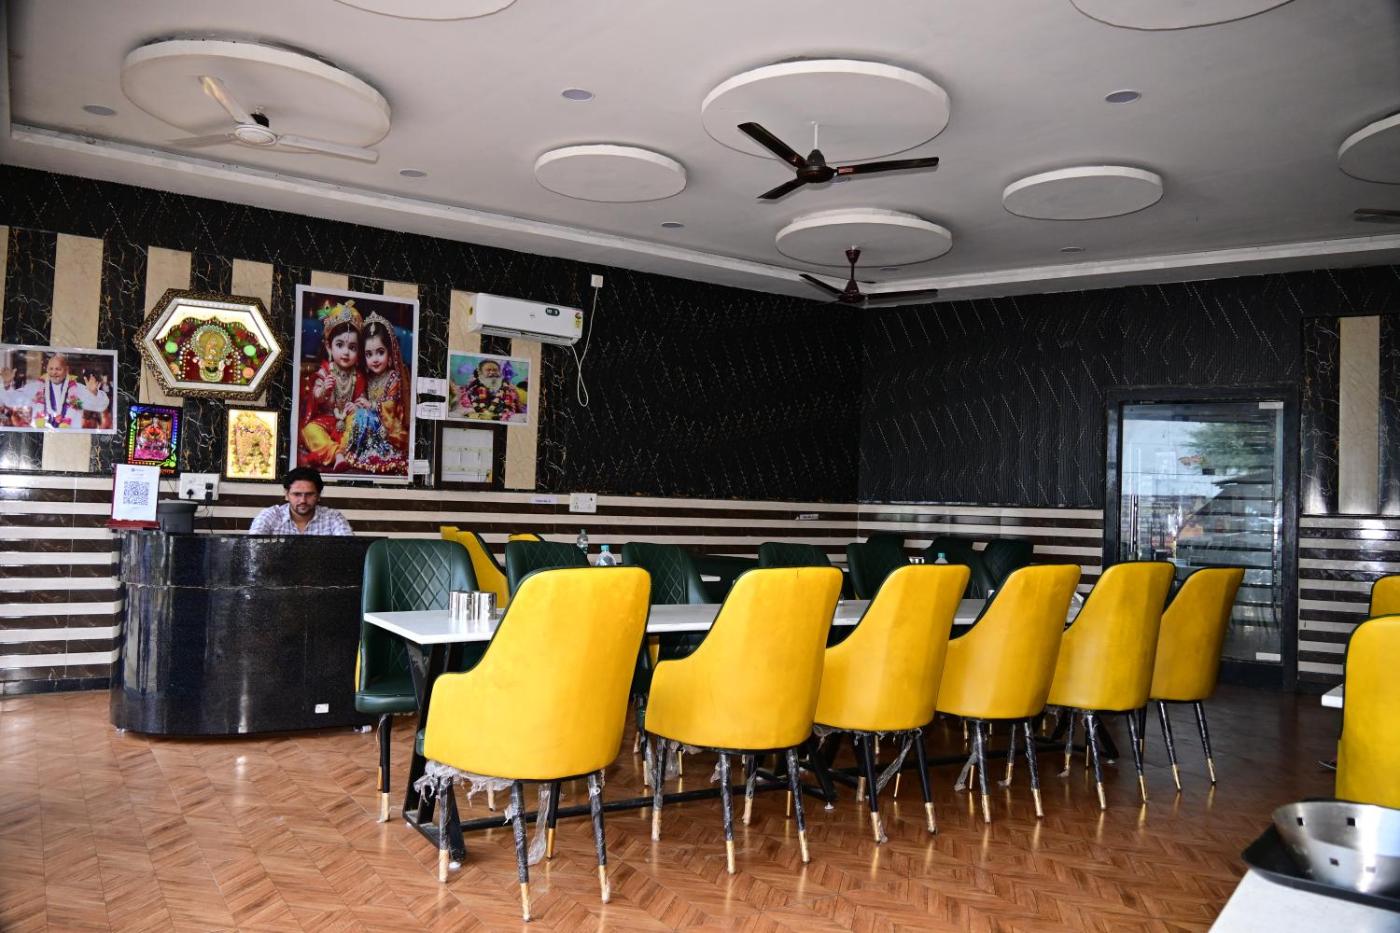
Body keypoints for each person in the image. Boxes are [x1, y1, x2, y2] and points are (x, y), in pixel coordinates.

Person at [337, 312, 409, 474]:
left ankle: (358, 454)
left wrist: (371, 406)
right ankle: (346, 453)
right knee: (356, 414)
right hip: (369, 421)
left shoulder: (394, 377)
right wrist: (357, 405)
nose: (375, 359)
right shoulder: (367, 378)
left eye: (380, 352)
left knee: (363, 416)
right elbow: (362, 398)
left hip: (388, 426)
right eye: (369, 354)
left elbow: (391, 406)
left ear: (390, 353)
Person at [299, 300, 364, 469]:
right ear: (329, 347)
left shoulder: (357, 376)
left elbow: (361, 399)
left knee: (359, 420)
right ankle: (337, 454)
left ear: (358, 351)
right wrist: (323, 391)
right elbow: (315, 397)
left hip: (346, 422)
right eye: (340, 345)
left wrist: (357, 407)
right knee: (309, 430)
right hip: (326, 420)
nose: (346, 352)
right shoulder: (325, 372)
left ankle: (345, 453)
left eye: (352, 347)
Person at [0, 352, 109, 430]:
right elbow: (12, 400)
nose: (54, 373)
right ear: (46, 369)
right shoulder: (36, 387)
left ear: (66, 370)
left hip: (70, 440)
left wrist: (93, 393)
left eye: (58, 369)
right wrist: (6, 384)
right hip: (41, 438)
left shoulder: (77, 389)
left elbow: (100, 406)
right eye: (51, 369)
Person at [249, 467, 353, 536]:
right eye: (297, 494)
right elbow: (251, 549)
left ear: (318, 495)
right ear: (286, 495)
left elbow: (348, 550)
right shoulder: (270, 516)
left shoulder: (332, 518)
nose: (303, 500)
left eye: (309, 494)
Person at [454, 357, 525, 421]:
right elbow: (466, 407)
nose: (492, 372)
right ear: (480, 373)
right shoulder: (471, 389)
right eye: (488, 370)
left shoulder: (509, 389)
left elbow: (513, 408)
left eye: (495, 370)